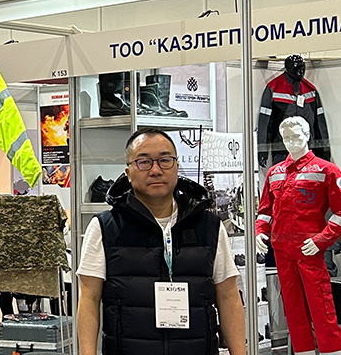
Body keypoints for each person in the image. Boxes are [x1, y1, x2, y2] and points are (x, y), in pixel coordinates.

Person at [77, 128, 245, 355]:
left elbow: (228, 295)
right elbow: (89, 298)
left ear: (176, 166)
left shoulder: (209, 227)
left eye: (165, 160)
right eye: (144, 162)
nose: (156, 170)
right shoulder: (105, 227)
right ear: (128, 172)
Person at [255, 116, 341, 355]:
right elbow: (265, 210)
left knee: (321, 307)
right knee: (293, 310)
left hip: (310, 250)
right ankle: (302, 352)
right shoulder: (275, 172)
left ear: (307, 135)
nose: (291, 142)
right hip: (282, 251)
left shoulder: (326, 170)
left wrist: (322, 239)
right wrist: (260, 232)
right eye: (286, 137)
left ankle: (336, 351)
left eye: (296, 136)